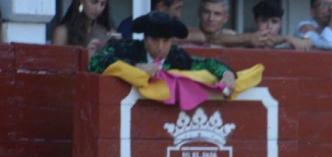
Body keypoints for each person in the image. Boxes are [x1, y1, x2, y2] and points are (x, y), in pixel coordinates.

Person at [88, 11, 235, 91]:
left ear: (172, 41)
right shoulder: (127, 48)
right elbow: (96, 63)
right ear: (145, 38)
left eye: (165, 41)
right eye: (154, 40)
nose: (160, 47)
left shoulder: (177, 57)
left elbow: (206, 63)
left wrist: (226, 73)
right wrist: (133, 67)